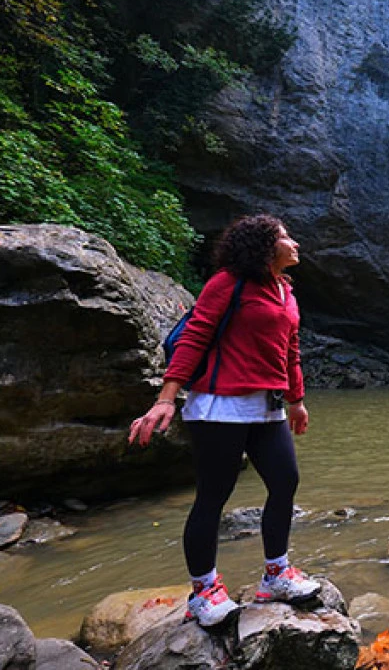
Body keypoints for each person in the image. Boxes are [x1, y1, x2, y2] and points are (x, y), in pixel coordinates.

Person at [128, 214, 316, 629]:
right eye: (285, 237)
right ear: (265, 247)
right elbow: (195, 336)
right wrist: (165, 399)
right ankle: (204, 590)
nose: (295, 243)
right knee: (214, 495)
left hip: (269, 407)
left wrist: (297, 402)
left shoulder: (285, 292)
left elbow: (290, 352)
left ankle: (276, 574)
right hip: (219, 405)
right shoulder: (227, 284)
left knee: (285, 482)